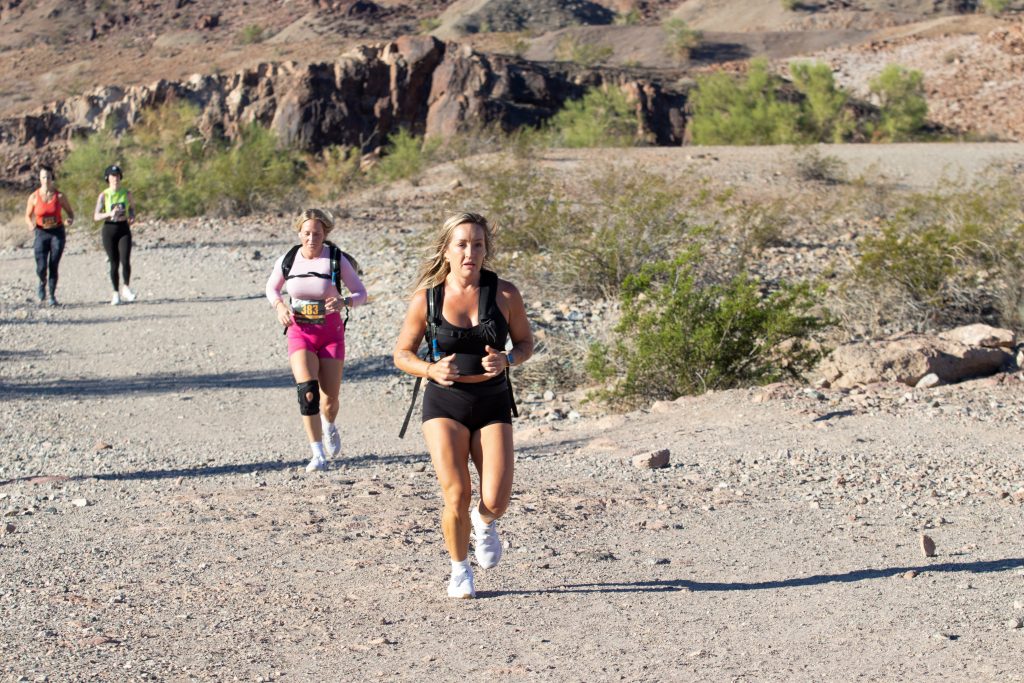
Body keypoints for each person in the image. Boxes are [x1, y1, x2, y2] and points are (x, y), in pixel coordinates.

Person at [393, 211, 534, 599]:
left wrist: (509, 359)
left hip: (493, 402)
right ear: (447, 249)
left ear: (486, 249)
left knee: (496, 499)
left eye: (478, 244)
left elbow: (525, 343)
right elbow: (401, 354)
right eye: (462, 244)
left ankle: (484, 523)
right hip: (445, 402)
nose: (470, 251)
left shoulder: (506, 294)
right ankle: (459, 569)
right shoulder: (428, 298)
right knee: (456, 493)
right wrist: (430, 369)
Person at [266, 208, 367, 472]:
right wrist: (279, 307)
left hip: (331, 334)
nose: (312, 238)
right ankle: (317, 453)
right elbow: (271, 288)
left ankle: (329, 424)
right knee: (307, 392)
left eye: (317, 234)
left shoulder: (336, 259)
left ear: (326, 234)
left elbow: (361, 293)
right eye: (307, 233)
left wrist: (344, 301)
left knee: (329, 398)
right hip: (300, 332)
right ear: (299, 232)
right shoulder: (288, 259)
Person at [25, 165, 74, 306]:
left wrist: (69, 219)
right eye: (43, 177)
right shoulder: (33, 197)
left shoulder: (59, 196)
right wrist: (30, 224)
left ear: (52, 178)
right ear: (40, 179)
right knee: (41, 266)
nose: (46, 180)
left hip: (57, 232)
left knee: (53, 264)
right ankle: (42, 281)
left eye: (49, 177)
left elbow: (70, 212)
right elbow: (27, 216)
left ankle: (52, 295)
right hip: (41, 232)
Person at [93, 164, 137, 305]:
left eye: (117, 176)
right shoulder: (104, 195)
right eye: (112, 176)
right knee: (114, 262)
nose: (115, 178)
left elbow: (132, 209)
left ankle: (126, 288)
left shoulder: (127, 193)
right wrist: (109, 213)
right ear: (107, 178)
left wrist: (131, 215)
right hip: (109, 229)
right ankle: (115, 293)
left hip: (123, 228)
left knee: (125, 260)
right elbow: (96, 216)